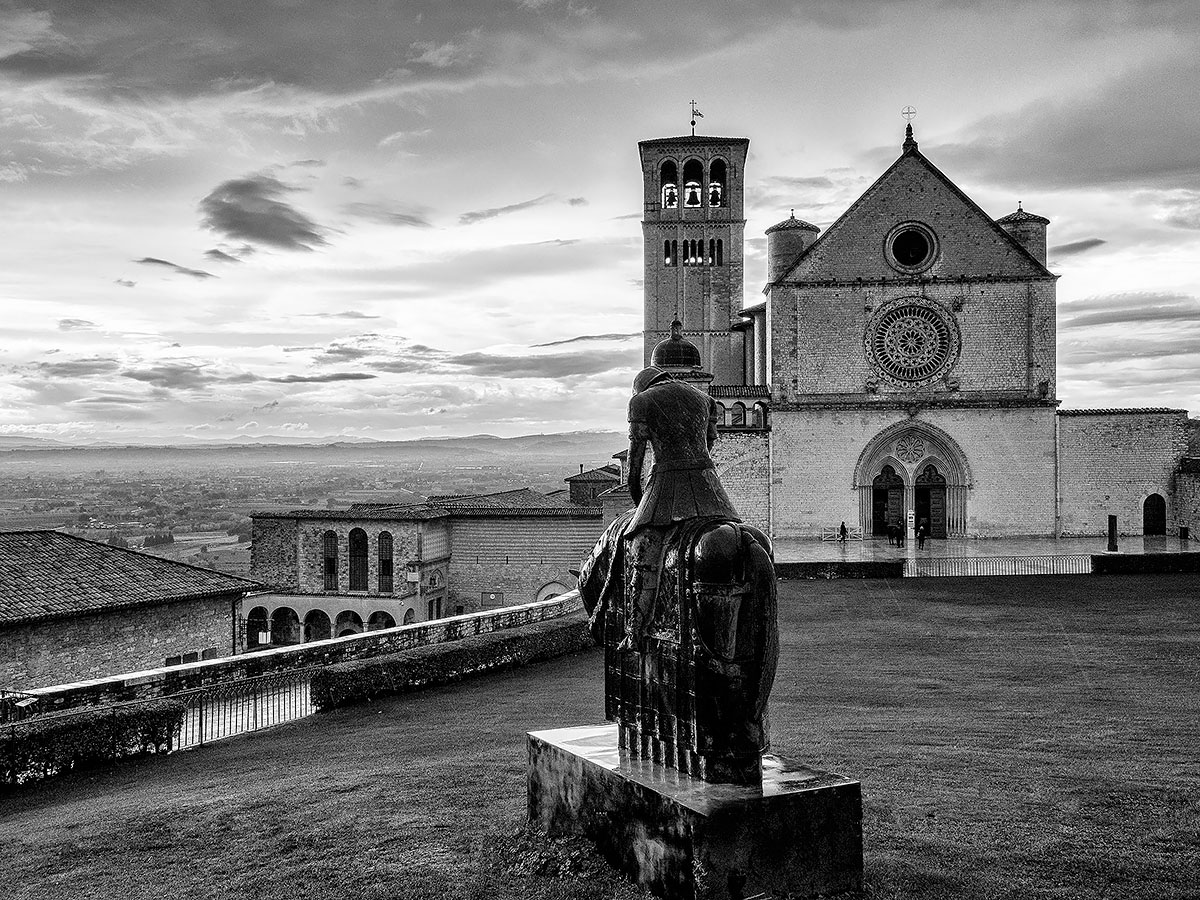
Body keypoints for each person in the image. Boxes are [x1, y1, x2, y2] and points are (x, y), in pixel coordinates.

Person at [623, 366, 740, 649]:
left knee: (643, 551)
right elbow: (710, 442)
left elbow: (634, 465)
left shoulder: (642, 401)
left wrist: (641, 505)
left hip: (666, 487)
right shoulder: (704, 399)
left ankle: (634, 631)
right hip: (711, 489)